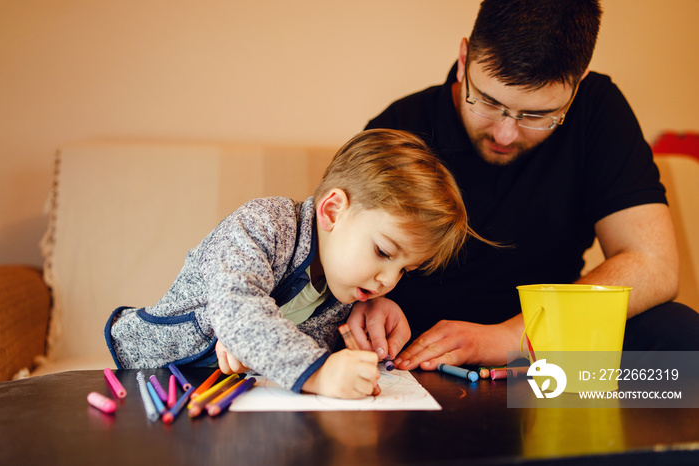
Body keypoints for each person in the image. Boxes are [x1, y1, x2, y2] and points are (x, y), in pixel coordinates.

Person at [350, 0, 699, 371]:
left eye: (537, 115)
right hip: (417, 349)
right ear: (464, 58)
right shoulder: (400, 126)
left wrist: (517, 336)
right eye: (487, 101)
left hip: (548, 343)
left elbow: (653, 263)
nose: (505, 133)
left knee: (679, 336)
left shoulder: (597, 109)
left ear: (577, 84)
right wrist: (366, 301)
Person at [104, 128, 474, 399]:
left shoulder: (344, 287)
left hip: (217, 396)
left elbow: (286, 343)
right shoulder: (264, 223)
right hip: (148, 374)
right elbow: (237, 306)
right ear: (332, 210)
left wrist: (352, 349)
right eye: (383, 252)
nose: (389, 280)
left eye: (404, 270)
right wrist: (321, 373)